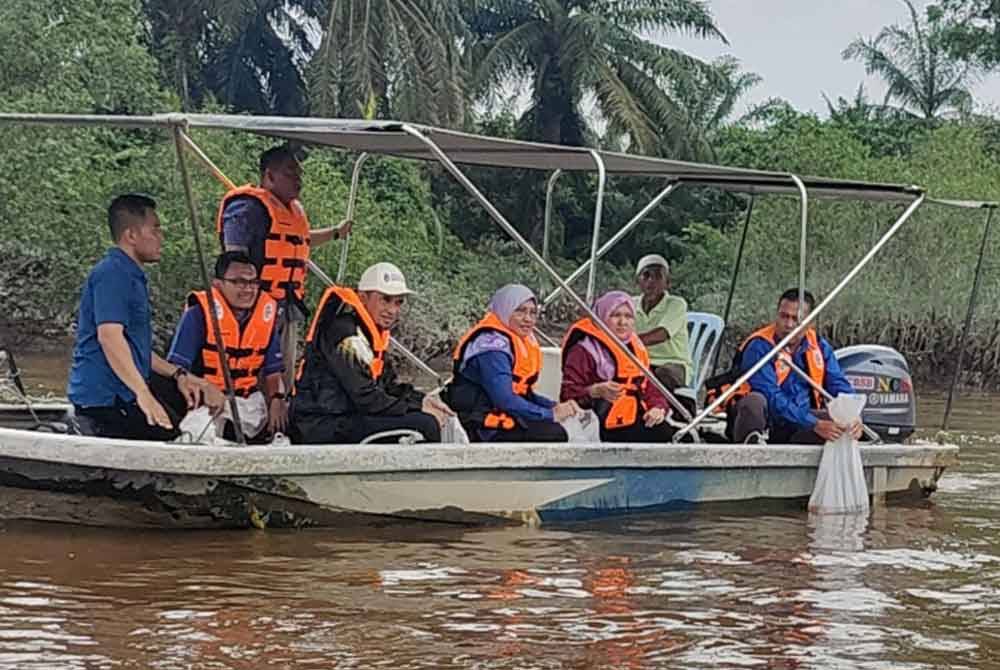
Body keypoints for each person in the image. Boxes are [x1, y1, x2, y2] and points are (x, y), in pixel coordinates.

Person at [67, 194, 219, 440]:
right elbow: (110, 338)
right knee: (175, 437)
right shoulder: (112, 273)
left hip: (125, 393)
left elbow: (138, 350)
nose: (161, 237)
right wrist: (144, 395)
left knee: (185, 412)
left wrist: (183, 375)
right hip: (107, 399)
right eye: (155, 229)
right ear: (131, 236)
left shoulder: (133, 276)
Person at [216, 145, 350, 388]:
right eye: (291, 173)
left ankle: (281, 414)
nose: (298, 180)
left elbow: (301, 240)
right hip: (254, 308)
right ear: (269, 176)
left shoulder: (292, 212)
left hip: (286, 307)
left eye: (299, 174)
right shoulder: (246, 209)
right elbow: (232, 261)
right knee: (256, 375)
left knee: (283, 374)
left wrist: (336, 233)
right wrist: (241, 309)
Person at [292, 262, 452, 444]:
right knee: (425, 424)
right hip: (322, 424)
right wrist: (417, 408)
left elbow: (388, 386)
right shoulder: (347, 336)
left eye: (398, 302)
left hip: (347, 418)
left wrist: (422, 400)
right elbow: (366, 398)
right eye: (385, 299)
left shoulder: (372, 334)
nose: (392, 310)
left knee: (426, 416)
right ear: (363, 297)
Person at [166, 252, 285, 441]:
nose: (248, 289)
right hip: (205, 403)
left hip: (248, 404)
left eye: (253, 282)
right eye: (239, 282)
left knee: (281, 422)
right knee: (198, 434)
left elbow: (273, 370)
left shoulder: (266, 316)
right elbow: (176, 369)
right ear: (218, 284)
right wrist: (204, 388)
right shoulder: (199, 315)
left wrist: (277, 399)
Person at [719, 288, 862, 444]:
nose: (788, 324)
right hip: (767, 419)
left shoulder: (819, 346)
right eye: (783, 316)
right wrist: (813, 424)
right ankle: (749, 454)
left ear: (810, 322)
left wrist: (853, 414)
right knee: (754, 401)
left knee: (843, 424)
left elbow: (838, 383)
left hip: (800, 421)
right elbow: (770, 395)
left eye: (796, 319)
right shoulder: (759, 346)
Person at [444, 284, 579, 442]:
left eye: (532, 312)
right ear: (505, 309)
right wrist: (551, 415)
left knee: (560, 425)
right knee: (555, 433)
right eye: (520, 311)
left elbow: (523, 393)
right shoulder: (490, 347)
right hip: (481, 425)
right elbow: (505, 399)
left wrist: (554, 406)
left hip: (503, 415)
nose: (528, 319)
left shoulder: (516, 339)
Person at [560, 291, 674, 442]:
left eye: (628, 316)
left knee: (666, 432)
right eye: (615, 315)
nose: (623, 322)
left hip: (632, 416)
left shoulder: (635, 348)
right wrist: (594, 391)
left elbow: (650, 387)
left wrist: (657, 408)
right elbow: (567, 394)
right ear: (602, 317)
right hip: (597, 422)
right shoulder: (583, 350)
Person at [632, 254, 691, 392]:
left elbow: (662, 334)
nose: (651, 281)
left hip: (673, 364)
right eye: (646, 275)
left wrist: (626, 343)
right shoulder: (630, 304)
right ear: (637, 281)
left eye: (658, 276)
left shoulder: (676, 304)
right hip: (640, 363)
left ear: (667, 282)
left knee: (662, 375)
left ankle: (659, 410)